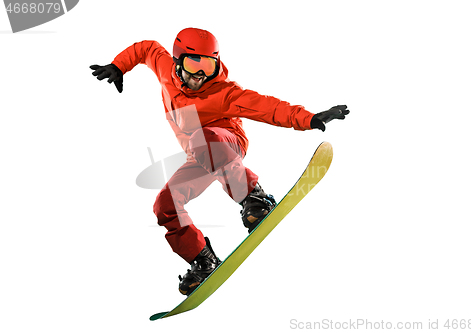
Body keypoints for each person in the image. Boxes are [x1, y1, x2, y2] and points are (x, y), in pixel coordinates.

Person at [90, 27, 349, 296]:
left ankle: (254, 199)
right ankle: (203, 260)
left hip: (225, 142)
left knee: (202, 139)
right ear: (178, 61)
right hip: (199, 154)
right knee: (165, 204)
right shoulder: (164, 66)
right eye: (194, 64)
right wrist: (119, 66)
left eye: (209, 66)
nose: (200, 75)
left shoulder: (224, 93)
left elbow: (268, 107)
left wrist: (308, 118)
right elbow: (145, 48)